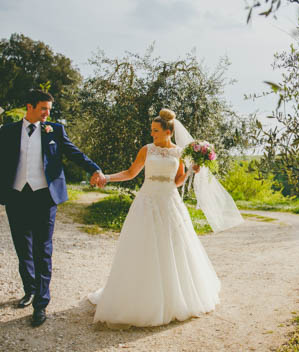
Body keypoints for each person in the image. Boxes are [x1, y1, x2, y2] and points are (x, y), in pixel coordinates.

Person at [88, 109, 221, 327]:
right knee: (143, 246)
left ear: (169, 132)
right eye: (151, 130)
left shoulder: (178, 152)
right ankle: (140, 298)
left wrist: (190, 171)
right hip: (147, 201)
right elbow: (131, 173)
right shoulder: (146, 150)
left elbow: (177, 181)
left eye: (156, 131)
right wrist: (107, 178)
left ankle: (174, 298)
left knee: (173, 247)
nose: (152, 134)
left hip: (169, 202)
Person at [0, 90, 105, 327]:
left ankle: (41, 303)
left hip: (45, 197)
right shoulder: (7, 132)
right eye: (43, 109)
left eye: (49, 109)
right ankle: (29, 290)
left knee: (43, 249)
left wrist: (94, 169)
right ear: (30, 106)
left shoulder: (54, 130)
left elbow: (74, 152)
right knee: (22, 247)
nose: (48, 114)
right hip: (17, 195)